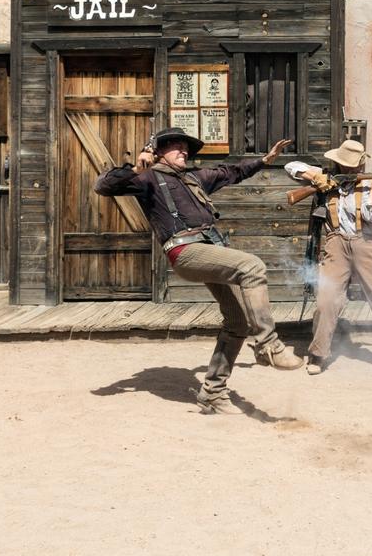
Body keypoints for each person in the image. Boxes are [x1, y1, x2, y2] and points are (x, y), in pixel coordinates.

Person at [94, 128, 302, 414]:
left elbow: (231, 172)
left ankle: (213, 393)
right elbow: (103, 186)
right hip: (184, 252)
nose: (184, 151)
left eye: (185, 147)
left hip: (208, 248)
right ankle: (269, 345)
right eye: (176, 147)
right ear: (157, 152)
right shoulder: (147, 178)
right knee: (252, 266)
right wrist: (134, 168)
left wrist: (265, 160)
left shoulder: (194, 178)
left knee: (237, 322)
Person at [285, 139, 372, 376]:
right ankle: (318, 354)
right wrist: (314, 178)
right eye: (348, 166)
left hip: (365, 243)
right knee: (326, 301)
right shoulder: (325, 176)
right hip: (335, 244)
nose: (354, 170)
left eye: (355, 166)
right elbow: (290, 166)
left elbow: (370, 215)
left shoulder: (368, 184)